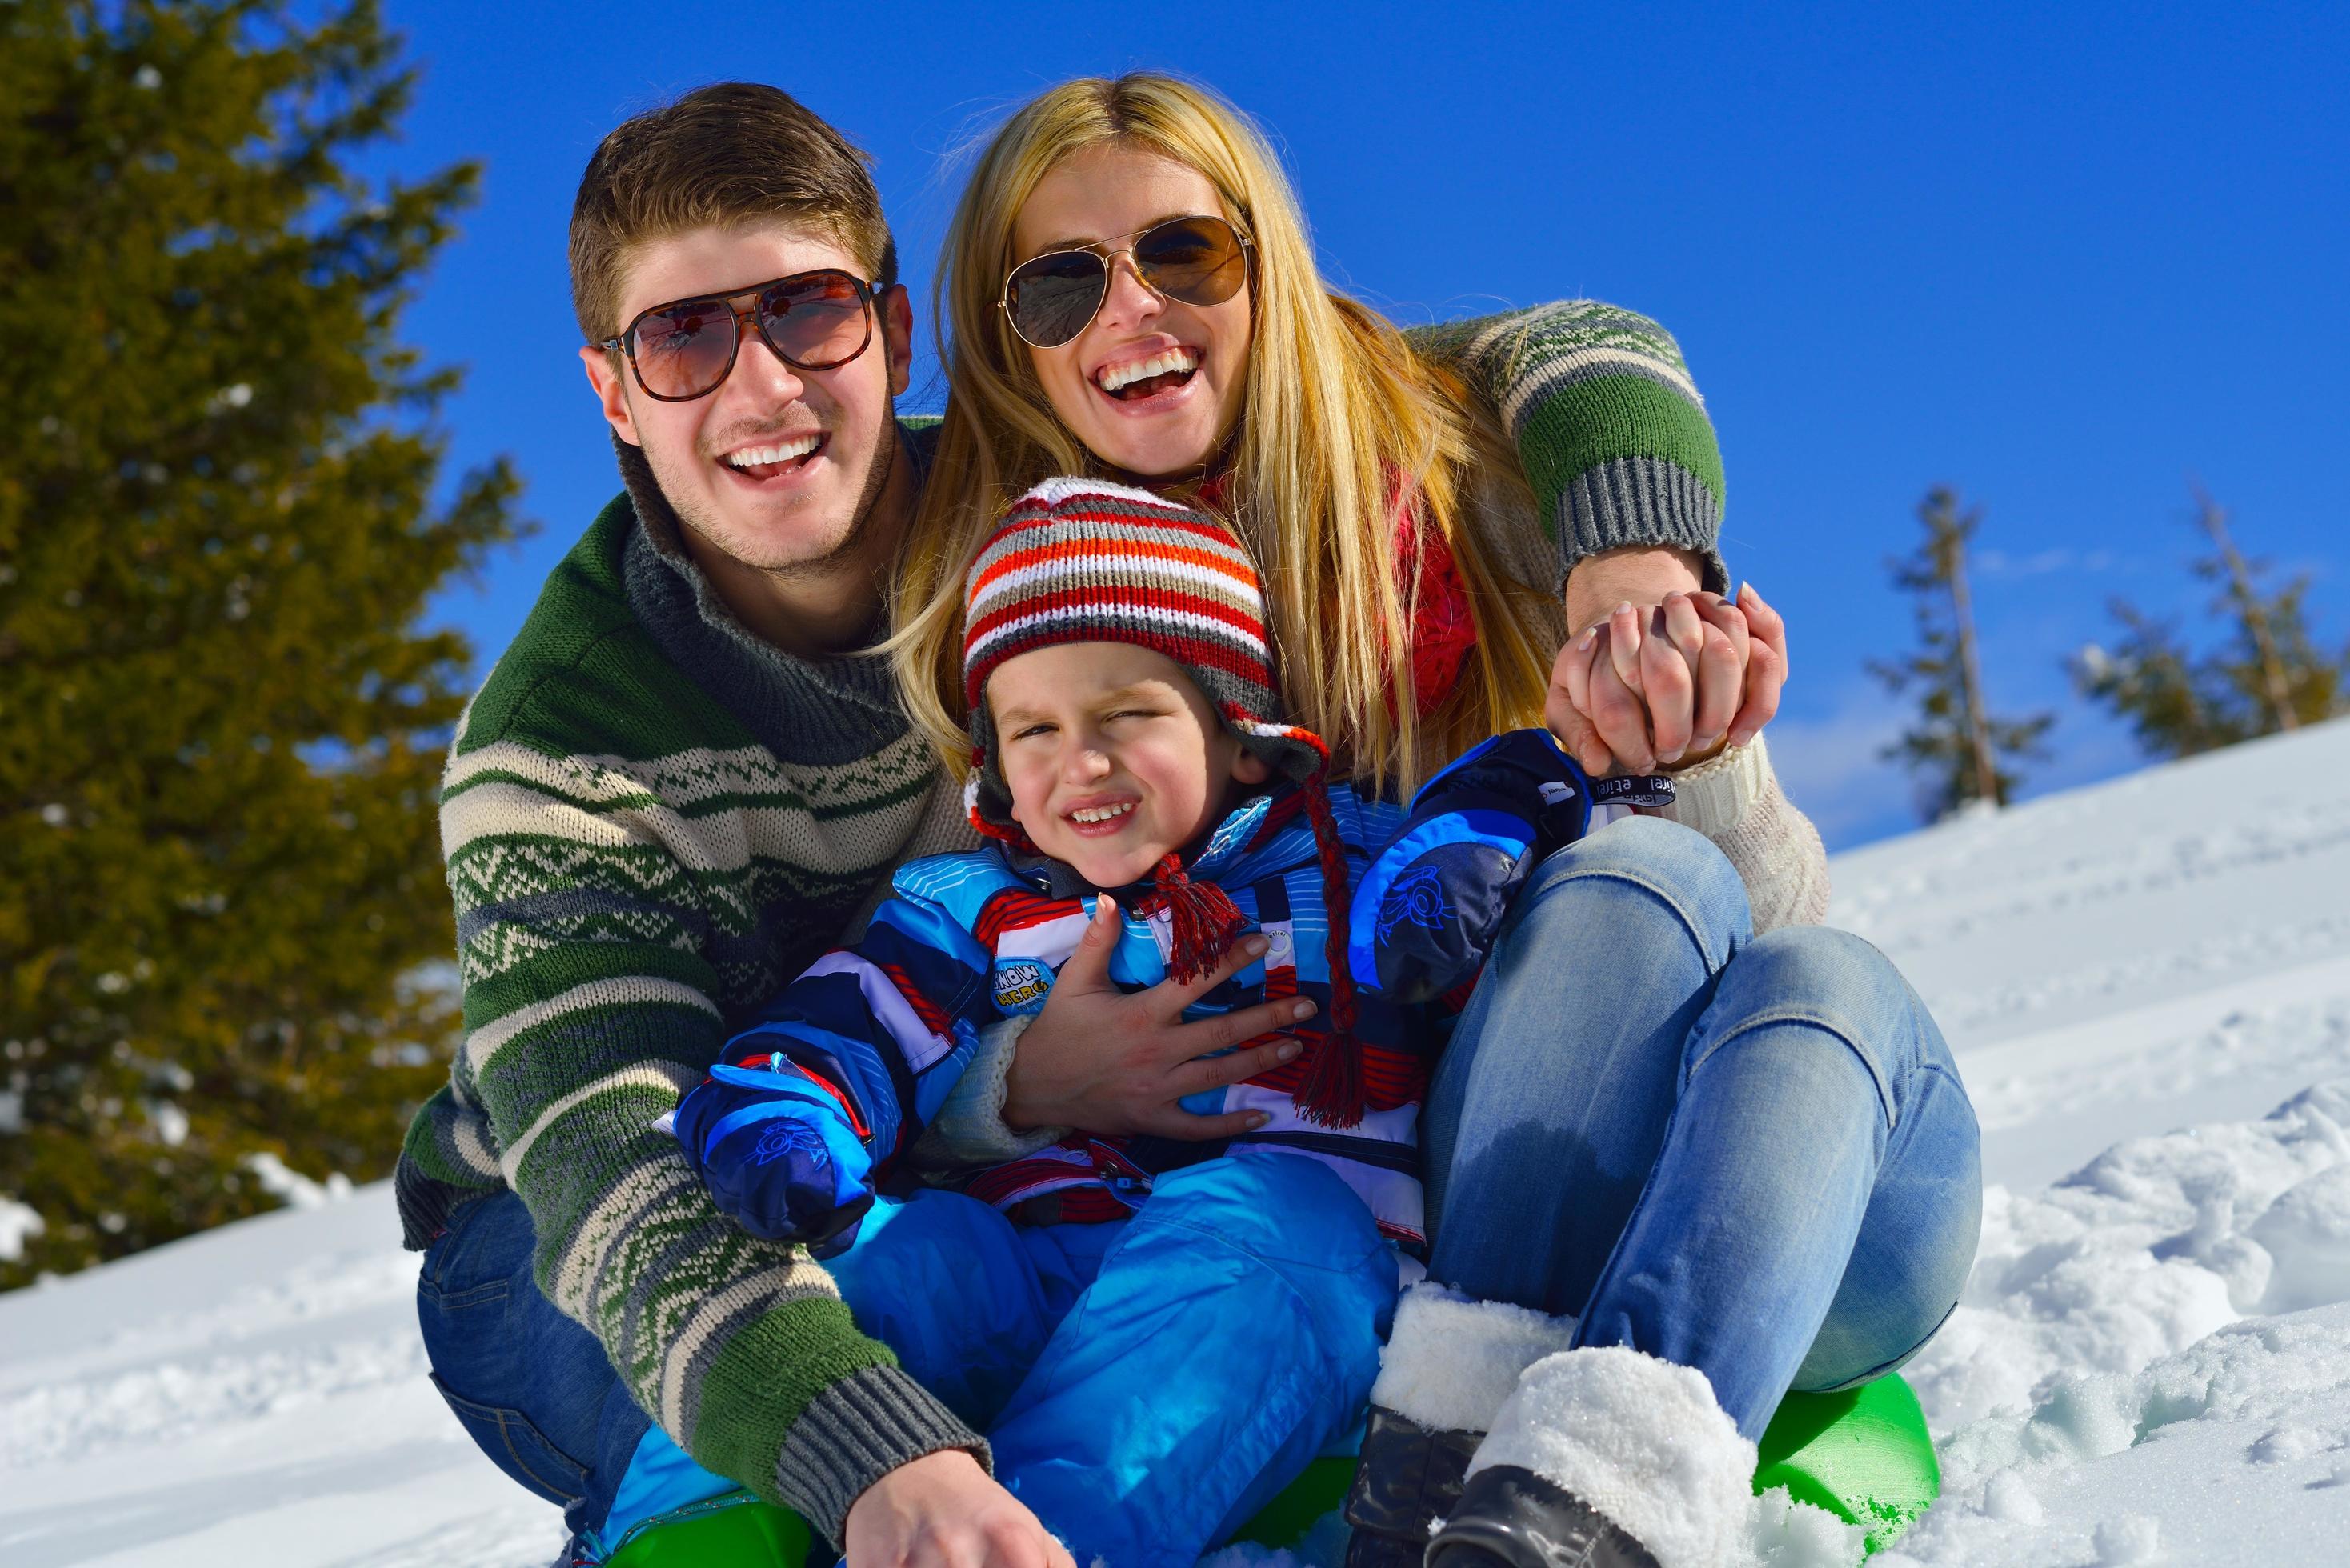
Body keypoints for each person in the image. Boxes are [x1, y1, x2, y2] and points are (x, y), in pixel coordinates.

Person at [396, 74, 1818, 1568]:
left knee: (1225, 1284)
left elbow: (1545, 355)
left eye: (806, 312)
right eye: (683, 335)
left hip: (975, 1169)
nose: (762, 390)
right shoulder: (562, 744)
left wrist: (1633, 561)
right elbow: (609, 1156)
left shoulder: (1044, 515)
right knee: (757, 1415)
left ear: (887, 331)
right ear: (612, 387)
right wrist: (878, 1444)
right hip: (591, 1225)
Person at [887, 74, 1982, 1568]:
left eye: (1185, 255)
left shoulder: (1464, 470)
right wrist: (1020, 1081)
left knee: (1787, 957)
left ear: (1266, 257)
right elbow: (942, 955)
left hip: (1782, 1173)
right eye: (1060, 281)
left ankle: (1537, 1452)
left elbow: (1591, 347)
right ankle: (1553, 1507)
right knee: (1633, 880)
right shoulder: (1048, 619)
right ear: (1009, 342)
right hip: (1477, 1205)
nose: (1127, 312)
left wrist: (1664, 683)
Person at [670, 477, 1610, 1563]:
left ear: (1243, 738)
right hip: (1029, 1284)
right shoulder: (970, 911)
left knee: (1276, 1222)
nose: (1084, 760)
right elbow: (847, 1029)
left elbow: (1502, 815)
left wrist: (1464, 852)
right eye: (1035, 731)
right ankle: (688, 1538)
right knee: (885, 1265)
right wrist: (789, 1121)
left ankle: (1039, 1543)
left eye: (1127, 714)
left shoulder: (1336, 870)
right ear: (998, 781)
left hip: (1264, 1312)